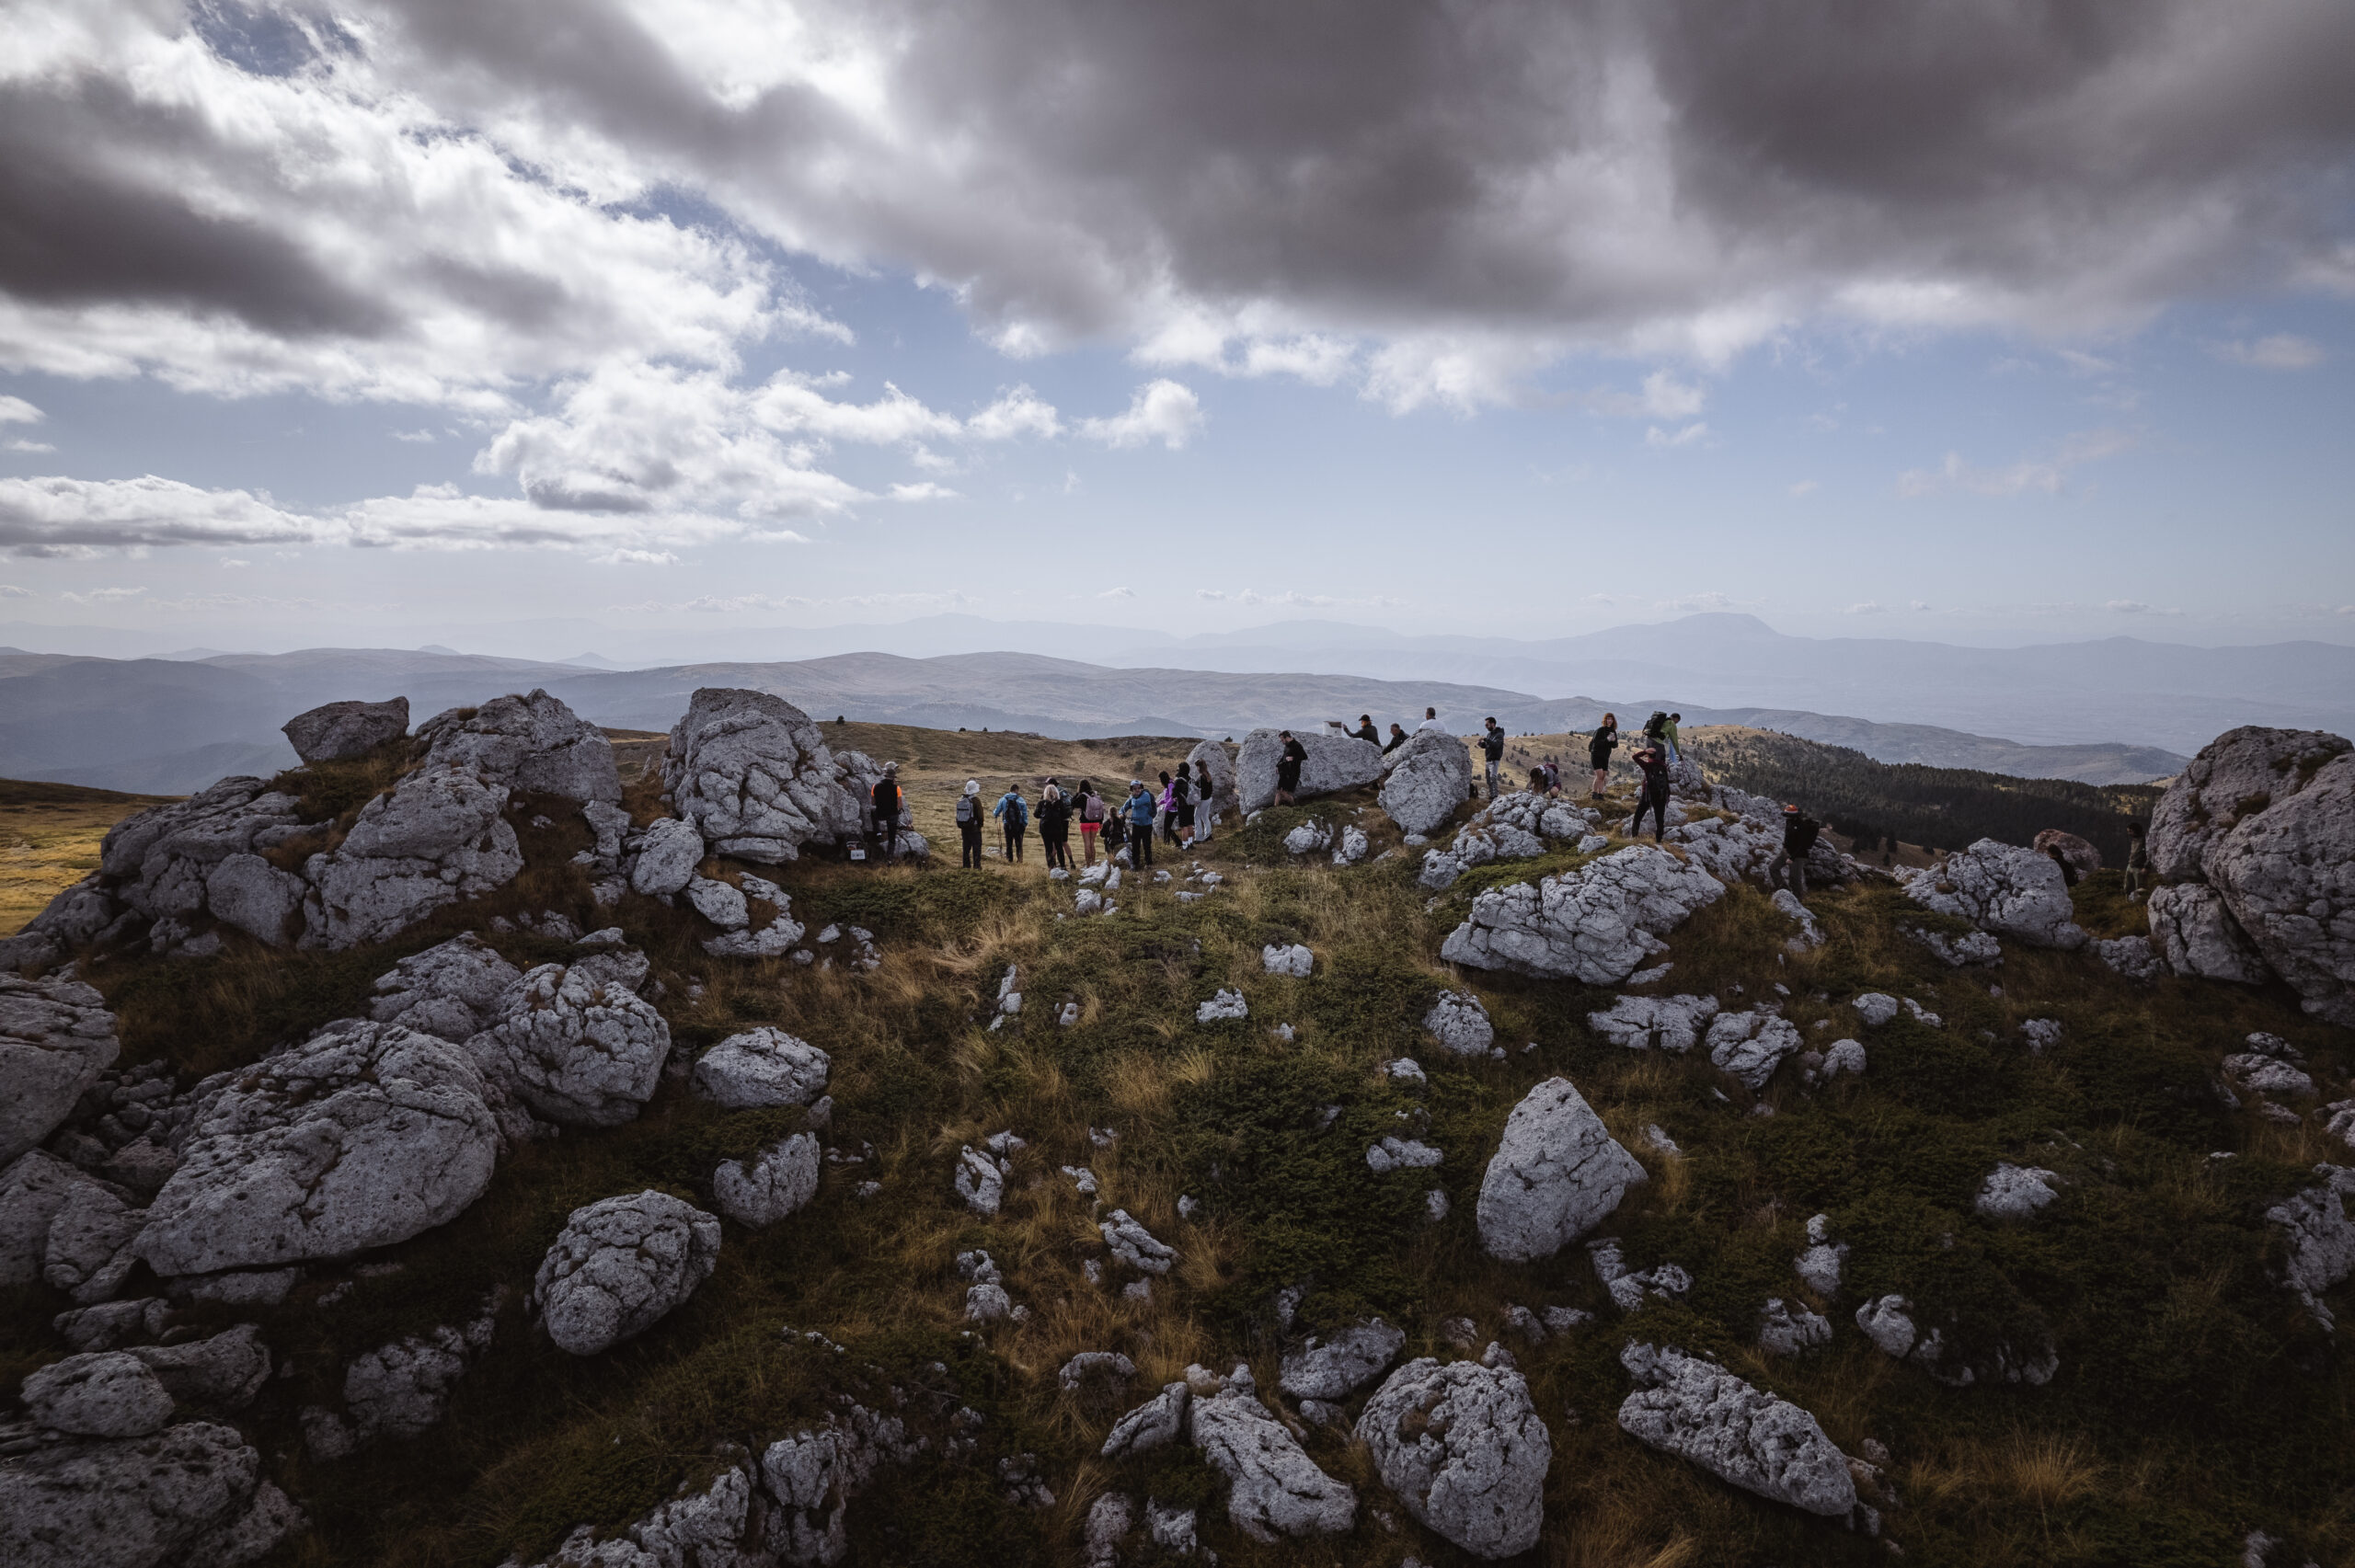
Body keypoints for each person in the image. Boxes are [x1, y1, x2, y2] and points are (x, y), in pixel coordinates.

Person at [1769, 802, 1821, 900]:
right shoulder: (1789, 822)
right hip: (1785, 852)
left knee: (1794, 879)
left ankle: (1798, 901)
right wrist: (1784, 849)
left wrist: (1792, 858)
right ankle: (1784, 891)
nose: (1786, 817)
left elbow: (1803, 845)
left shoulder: (1802, 826)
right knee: (1773, 868)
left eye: (1788, 815)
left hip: (1797, 856)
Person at [1629, 742, 1671, 841]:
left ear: (1647, 755)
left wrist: (1644, 751)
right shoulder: (1663, 766)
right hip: (1661, 795)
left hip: (1648, 795)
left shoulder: (1648, 765)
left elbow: (1634, 757)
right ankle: (1659, 841)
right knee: (1659, 819)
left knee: (1638, 816)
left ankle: (1634, 838)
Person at [870, 763, 902, 859]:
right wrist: (898, 810)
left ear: (885, 776)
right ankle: (889, 857)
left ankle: (878, 832)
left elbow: (873, 803)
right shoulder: (897, 788)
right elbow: (899, 804)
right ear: (893, 778)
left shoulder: (875, 787)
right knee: (892, 836)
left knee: (873, 813)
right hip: (892, 814)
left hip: (880, 813)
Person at [1038, 781, 1072, 869]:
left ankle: (1051, 867)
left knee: (1048, 848)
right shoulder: (1060, 803)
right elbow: (1065, 814)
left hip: (1045, 829)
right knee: (1059, 847)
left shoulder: (1042, 802)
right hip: (1057, 828)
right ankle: (1063, 867)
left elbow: (1036, 814)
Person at [994, 782, 1029, 864]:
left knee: (1008, 843)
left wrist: (995, 813)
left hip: (1007, 824)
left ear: (1010, 790)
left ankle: (1009, 860)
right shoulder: (1021, 800)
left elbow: (996, 812)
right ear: (1016, 790)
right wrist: (1024, 823)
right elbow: (1024, 813)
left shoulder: (1002, 799)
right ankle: (1019, 860)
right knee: (1019, 843)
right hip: (1019, 825)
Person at [1125, 779, 1157, 867]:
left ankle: (1149, 864)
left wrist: (1131, 798)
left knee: (1147, 845)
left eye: (1139, 788)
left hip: (1147, 824)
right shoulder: (1133, 797)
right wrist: (1120, 813)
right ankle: (1135, 864)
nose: (1137, 790)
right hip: (1136, 824)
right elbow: (1125, 806)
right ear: (1132, 789)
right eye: (1135, 788)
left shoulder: (1146, 795)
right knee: (1135, 845)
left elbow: (1135, 804)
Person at [955, 779, 986, 867]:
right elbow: (980, 816)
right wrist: (980, 826)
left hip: (964, 828)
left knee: (966, 848)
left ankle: (966, 866)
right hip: (974, 828)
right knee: (976, 848)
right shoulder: (976, 800)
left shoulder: (962, 799)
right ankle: (976, 867)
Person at [1588, 714, 1619, 797]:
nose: (1610, 721)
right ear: (1605, 720)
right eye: (1608, 719)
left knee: (1603, 776)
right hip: (1596, 754)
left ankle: (1600, 794)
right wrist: (1607, 739)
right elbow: (1596, 743)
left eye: (1611, 719)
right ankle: (1594, 794)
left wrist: (1613, 740)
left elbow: (1615, 745)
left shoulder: (1613, 731)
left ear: (1613, 721)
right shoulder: (1600, 730)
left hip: (1605, 756)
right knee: (1599, 775)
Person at [1076, 779, 1105, 865]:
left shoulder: (1082, 796)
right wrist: (1100, 822)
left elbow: (1073, 803)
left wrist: (1077, 793)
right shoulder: (1095, 795)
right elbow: (1101, 809)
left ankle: (1088, 865)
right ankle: (1093, 863)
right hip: (1096, 822)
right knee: (1092, 843)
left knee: (1087, 844)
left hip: (1085, 822)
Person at [1274, 729, 1307, 805]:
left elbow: (1305, 756)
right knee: (1279, 791)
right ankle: (1275, 809)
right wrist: (1277, 766)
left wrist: (1293, 758)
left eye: (1282, 740)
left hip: (1293, 773)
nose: (1282, 741)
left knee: (1286, 793)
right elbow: (1283, 757)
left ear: (1287, 738)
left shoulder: (1297, 745)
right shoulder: (1286, 746)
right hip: (1284, 772)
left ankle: (1293, 807)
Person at [1191, 759, 1218, 841]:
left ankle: (1199, 837)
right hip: (1209, 799)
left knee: (1196, 817)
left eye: (1197, 767)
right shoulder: (1207, 775)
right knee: (1205, 817)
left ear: (1199, 767)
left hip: (1203, 800)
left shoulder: (1201, 777)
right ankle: (1208, 835)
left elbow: (1200, 790)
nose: (1197, 768)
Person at [1480, 717, 1507, 800]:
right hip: (1488, 759)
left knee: (1493, 778)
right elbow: (1488, 745)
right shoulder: (1490, 734)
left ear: (1493, 724)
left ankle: (1495, 796)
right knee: (1488, 779)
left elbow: (1496, 745)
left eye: (1487, 725)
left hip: (1494, 759)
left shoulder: (1499, 734)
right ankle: (1492, 795)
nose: (1486, 727)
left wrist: (1486, 739)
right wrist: (1481, 744)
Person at [2123, 819, 2149, 902]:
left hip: (2140, 868)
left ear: (2135, 831)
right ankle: (2128, 903)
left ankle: (2139, 904)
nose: (2129, 833)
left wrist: (2146, 867)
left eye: (2130, 831)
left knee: (2140, 889)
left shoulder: (2145, 840)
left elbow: (2150, 854)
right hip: (2131, 865)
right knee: (2127, 887)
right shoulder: (2134, 839)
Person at [1172, 765, 1194, 845]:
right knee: (1190, 825)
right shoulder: (1191, 779)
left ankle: (1185, 847)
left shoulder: (1178, 781)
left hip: (1182, 806)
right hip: (1191, 805)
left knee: (1184, 827)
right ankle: (1190, 844)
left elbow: (1173, 795)